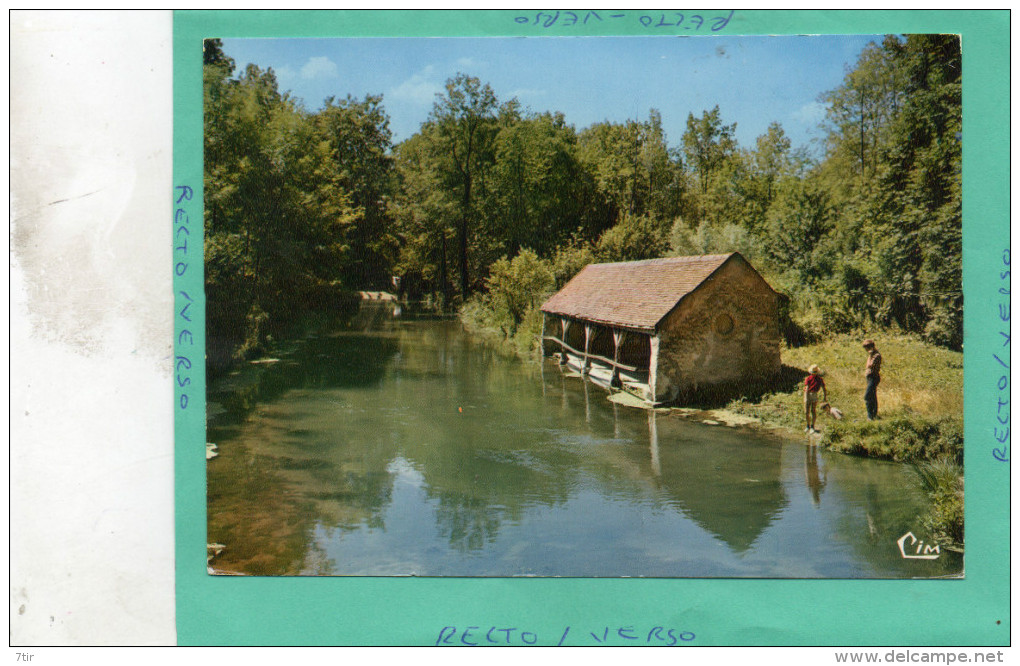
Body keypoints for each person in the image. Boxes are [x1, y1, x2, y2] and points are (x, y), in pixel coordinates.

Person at [803, 364, 827, 434]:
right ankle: (808, 426)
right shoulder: (808, 378)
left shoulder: (820, 379)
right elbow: (807, 388)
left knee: (813, 410)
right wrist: (806, 398)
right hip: (807, 394)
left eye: (815, 372)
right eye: (813, 372)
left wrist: (825, 397)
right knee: (806, 411)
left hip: (814, 394)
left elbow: (824, 388)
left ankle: (812, 426)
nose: (814, 374)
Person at [862, 339, 882, 420]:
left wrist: (870, 356)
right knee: (873, 396)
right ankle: (873, 415)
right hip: (869, 377)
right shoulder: (871, 355)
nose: (866, 350)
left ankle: (870, 416)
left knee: (867, 396)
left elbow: (870, 365)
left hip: (874, 377)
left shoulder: (876, 355)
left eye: (866, 347)